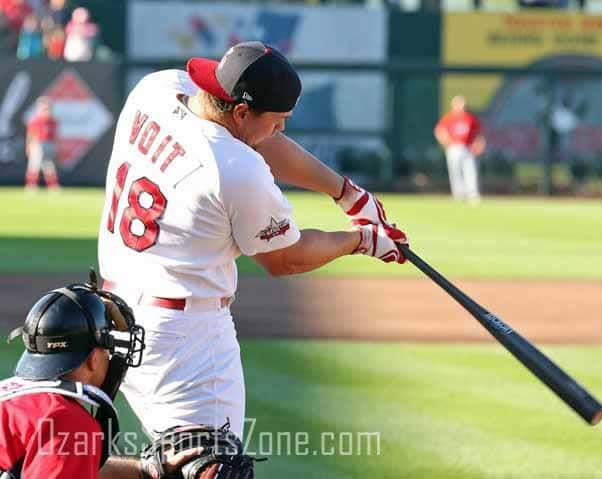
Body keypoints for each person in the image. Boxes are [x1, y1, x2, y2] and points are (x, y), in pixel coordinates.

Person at [97, 40, 408, 449]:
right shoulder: (234, 169)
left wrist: (348, 194)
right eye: (278, 121)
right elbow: (287, 260)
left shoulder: (155, 90)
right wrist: (363, 240)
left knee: (87, 457)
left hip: (106, 315)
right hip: (181, 340)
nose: (281, 130)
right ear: (241, 112)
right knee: (211, 467)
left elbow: (254, 138)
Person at [0, 280, 210, 479]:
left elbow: (64, 465)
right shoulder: (66, 420)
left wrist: (146, 469)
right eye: (108, 350)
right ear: (93, 358)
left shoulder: (13, 403)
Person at [434, 95, 486, 202]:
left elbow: (479, 133)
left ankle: (472, 194)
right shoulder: (449, 117)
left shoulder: (470, 118)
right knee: (455, 172)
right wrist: (446, 142)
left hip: (468, 147)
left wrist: (479, 144)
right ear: (453, 106)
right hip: (454, 147)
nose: (461, 107)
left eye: (462, 104)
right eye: (458, 104)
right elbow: (439, 131)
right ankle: (458, 194)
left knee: (470, 171)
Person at [25, 96, 60, 190]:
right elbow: (30, 135)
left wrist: (56, 146)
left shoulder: (53, 121)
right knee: (34, 165)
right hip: (38, 144)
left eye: (47, 107)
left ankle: (53, 187)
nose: (46, 109)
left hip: (49, 144)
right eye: (43, 107)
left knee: (48, 165)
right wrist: (29, 146)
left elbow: (55, 135)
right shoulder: (35, 120)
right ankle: (31, 186)